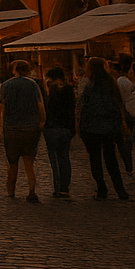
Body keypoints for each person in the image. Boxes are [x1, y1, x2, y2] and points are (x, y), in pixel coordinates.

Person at [76, 55, 129, 200]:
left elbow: (83, 107)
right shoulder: (111, 84)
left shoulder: (89, 87)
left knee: (95, 160)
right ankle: (120, 190)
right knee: (111, 159)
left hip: (92, 129)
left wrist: (81, 126)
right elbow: (118, 106)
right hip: (109, 128)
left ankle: (102, 189)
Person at [0, 59, 44, 203]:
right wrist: (41, 122)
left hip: (11, 128)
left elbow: (1, 109)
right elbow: (40, 106)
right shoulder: (33, 85)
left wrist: (0, 127)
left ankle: (11, 191)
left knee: (12, 163)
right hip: (30, 127)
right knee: (29, 162)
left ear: (14, 69)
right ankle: (31, 190)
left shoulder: (5, 85)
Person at [42, 66, 76, 199]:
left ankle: (58, 187)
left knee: (55, 160)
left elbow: (48, 109)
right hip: (66, 128)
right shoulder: (69, 90)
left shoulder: (52, 92)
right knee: (64, 158)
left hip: (53, 128)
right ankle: (64, 188)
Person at [116, 54, 135, 175]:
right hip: (129, 114)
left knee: (128, 142)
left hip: (130, 114)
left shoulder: (124, 82)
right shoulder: (125, 82)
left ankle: (129, 167)